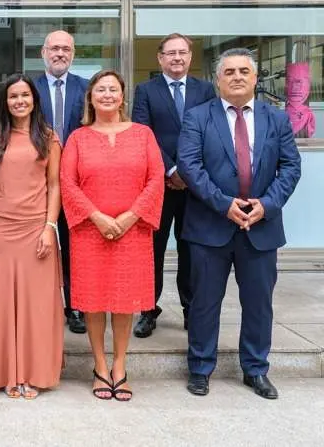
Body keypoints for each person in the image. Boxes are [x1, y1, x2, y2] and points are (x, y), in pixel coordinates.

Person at [179, 48, 301, 400]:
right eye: (228, 71)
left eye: (243, 71)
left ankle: (256, 370)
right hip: (209, 227)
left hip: (260, 227)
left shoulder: (276, 119)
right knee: (204, 302)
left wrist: (267, 204)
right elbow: (190, 166)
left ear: (255, 78)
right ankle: (200, 368)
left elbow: (291, 167)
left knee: (259, 303)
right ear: (217, 80)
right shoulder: (198, 117)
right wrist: (222, 204)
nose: (236, 77)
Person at [60, 70, 164, 402]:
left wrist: (131, 216)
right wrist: (98, 217)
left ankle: (120, 366)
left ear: (122, 97)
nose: (107, 95)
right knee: (93, 302)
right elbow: (67, 182)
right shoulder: (78, 137)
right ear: (90, 97)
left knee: (124, 301)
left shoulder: (143, 134)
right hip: (90, 231)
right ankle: (100, 366)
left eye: (113, 90)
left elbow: (156, 178)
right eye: (100, 90)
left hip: (133, 232)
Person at [0, 74, 63, 399]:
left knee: (36, 306)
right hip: (0, 229)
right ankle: (6, 371)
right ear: (6, 102)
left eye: (25, 95)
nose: (19, 101)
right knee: (0, 305)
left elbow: (55, 186)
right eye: (13, 96)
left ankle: (32, 373)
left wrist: (50, 228)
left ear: (34, 99)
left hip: (37, 229)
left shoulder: (49, 138)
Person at [131, 33, 216, 338]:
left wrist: (188, 171)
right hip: (157, 184)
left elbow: (212, 133)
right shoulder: (146, 91)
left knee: (191, 250)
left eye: (182, 52)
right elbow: (144, 133)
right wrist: (171, 168)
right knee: (151, 250)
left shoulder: (206, 90)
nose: (177, 58)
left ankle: (190, 309)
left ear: (190, 57)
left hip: (196, 187)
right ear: (160, 58)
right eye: (171, 53)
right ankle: (147, 310)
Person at [34, 30, 90, 335]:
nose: (60, 54)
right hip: (37, 181)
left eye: (66, 49)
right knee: (37, 247)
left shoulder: (87, 88)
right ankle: (41, 305)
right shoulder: (30, 87)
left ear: (73, 53)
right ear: (44, 52)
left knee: (73, 248)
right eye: (54, 48)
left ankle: (75, 306)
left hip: (78, 181)